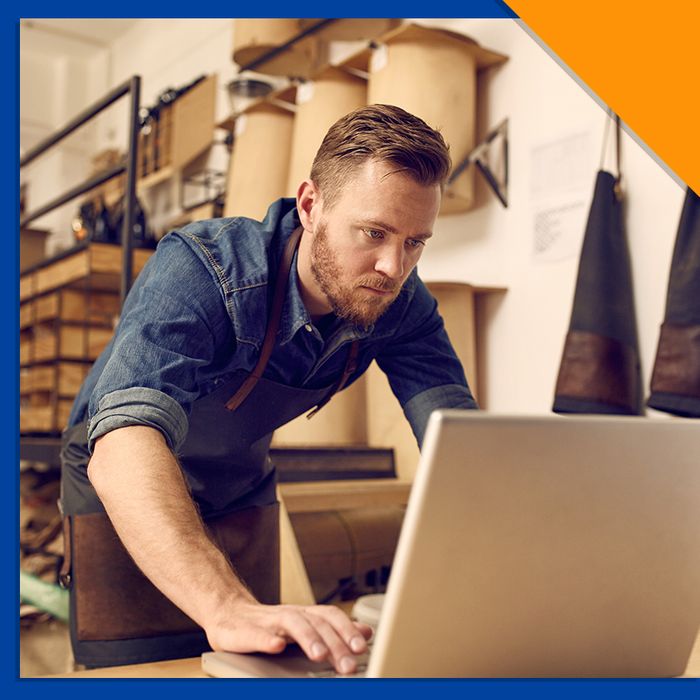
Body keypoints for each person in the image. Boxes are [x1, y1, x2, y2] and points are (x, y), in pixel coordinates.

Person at [60, 104, 478, 672]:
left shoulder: (400, 303)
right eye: (374, 232)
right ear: (310, 206)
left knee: (254, 665)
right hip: (124, 486)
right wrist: (226, 605)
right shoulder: (204, 268)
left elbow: (458, 443)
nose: (392, 266)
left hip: (237, 488)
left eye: (415, 242)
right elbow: (123, 444)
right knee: (141, 672)